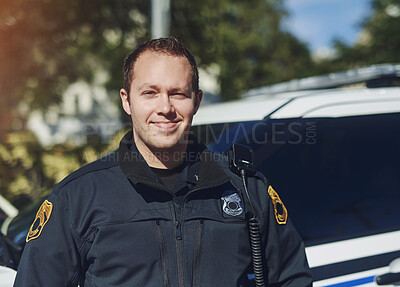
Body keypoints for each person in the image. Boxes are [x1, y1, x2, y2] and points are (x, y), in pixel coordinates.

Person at [14, 37, 312, 286]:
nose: (165, 107)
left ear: (197, 100)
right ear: (126, 101)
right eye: (150, 93)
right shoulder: (77, 197)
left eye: (178, 93)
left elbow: (292, 279)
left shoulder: (245, 188)